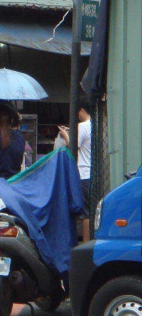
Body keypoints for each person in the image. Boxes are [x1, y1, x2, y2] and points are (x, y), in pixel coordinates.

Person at [58, 100, 92, 240]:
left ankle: (85, 244)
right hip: (92, 172)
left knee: (85, 214)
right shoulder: (94, 125)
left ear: (82, 110)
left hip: (83, 173)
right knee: (91, 209)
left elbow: (72, 146)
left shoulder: (83, 126)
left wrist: (65, 135)